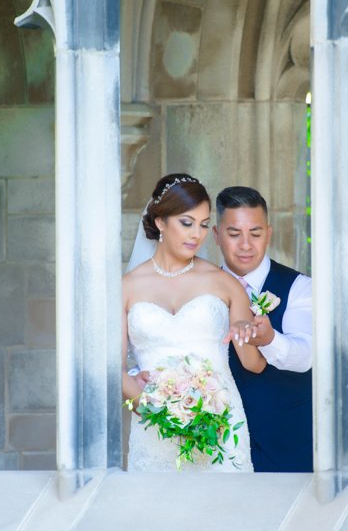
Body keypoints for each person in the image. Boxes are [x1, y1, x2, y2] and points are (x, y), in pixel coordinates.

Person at [122, 173, 266, 472]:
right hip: (154, 429)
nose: (196, 235)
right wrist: (157, 413)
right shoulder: (127, 287)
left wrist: (255, 333)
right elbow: (112, 368)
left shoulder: (225, 283)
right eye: (187, 223)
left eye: (203, 224)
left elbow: (253, 364)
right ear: (160, 222)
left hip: (221, 426)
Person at [214, 186, 313, 472]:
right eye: (234, 234)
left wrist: (270, 339)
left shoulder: (300, 287)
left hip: (288, 450)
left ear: (268, 234)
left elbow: (305, 355)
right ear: (217, 235)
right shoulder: (200, 292)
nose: (245, 245)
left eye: (255, 234)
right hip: (216, 451)